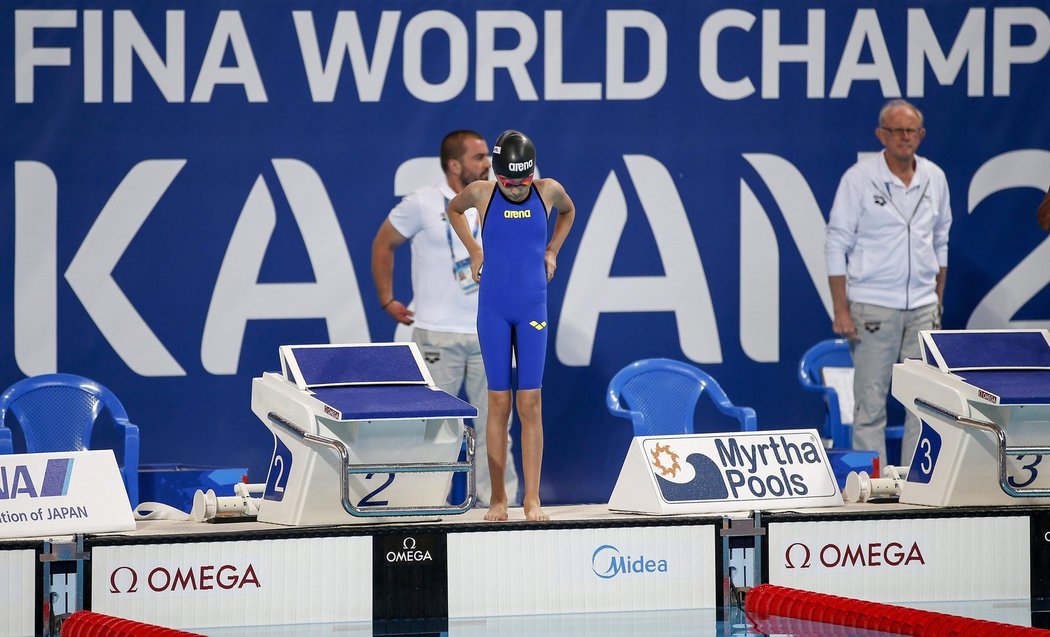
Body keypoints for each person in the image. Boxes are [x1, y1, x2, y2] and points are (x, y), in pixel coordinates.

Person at [371, 129, 519, 507]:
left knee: (497, 428)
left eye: (489, 156)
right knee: (433, 430)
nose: (489, 163)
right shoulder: (421, 203)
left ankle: (499, 506)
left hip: (492, 333)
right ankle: (423, 506)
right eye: (480, 157)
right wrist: (387, 299)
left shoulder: (502, 199)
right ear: (455, 165)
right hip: (436, 336)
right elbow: (383, 244)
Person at [446, 130, 575, 522]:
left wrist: (552, 251)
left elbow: (568, 212)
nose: (516, 189)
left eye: (522, 181)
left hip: (532, 307)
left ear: (531, 173)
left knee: (529, 402)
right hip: (495, 310)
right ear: (497, 175)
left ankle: (532, 500)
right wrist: (474, 249)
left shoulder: (548, 191)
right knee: (498, 403)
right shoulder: (483, 193)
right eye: (508, 182)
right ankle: (499, 499)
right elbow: (454, 209)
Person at [825, 99, 952, 468]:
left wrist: (937, 301)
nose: (905, 138)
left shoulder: (934, 177)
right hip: (872, 304)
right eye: (897, 130)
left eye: (912, 131)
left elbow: (941, 240)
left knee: (925, 401)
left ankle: (919, 479)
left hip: (923, 307)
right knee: (870, 401)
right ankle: (871, 484)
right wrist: (841, 309)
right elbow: (836, 242)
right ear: (882, 134)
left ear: (921, 135)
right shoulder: (859, 178)